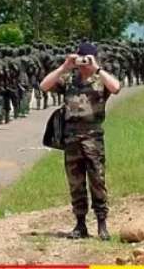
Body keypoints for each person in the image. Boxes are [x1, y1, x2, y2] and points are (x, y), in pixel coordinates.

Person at [40, 42, 121, 241]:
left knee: (97, 181)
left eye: (87, 59)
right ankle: (80, 224)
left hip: (92, 136)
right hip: (71, 137)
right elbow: (44, 85)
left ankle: (102, 224)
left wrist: (97, 69)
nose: (83, 63)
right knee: (75, 183)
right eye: (81, 59)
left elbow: (116, 87)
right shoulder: (69, 80)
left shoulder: (99, 80)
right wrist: (64, 67)